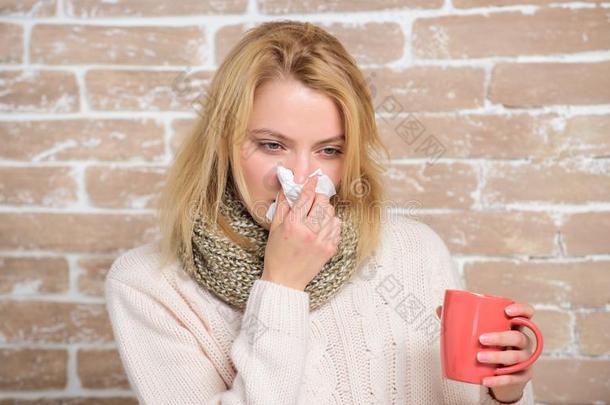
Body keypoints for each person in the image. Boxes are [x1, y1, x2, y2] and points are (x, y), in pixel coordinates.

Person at [104, 20, 538, 404]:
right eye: (273, 145)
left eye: (329, 150)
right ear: (222, 142)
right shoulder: (150, 285)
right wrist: (282, 286)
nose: (302, 177)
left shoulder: (414, 249)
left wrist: (507, 393)